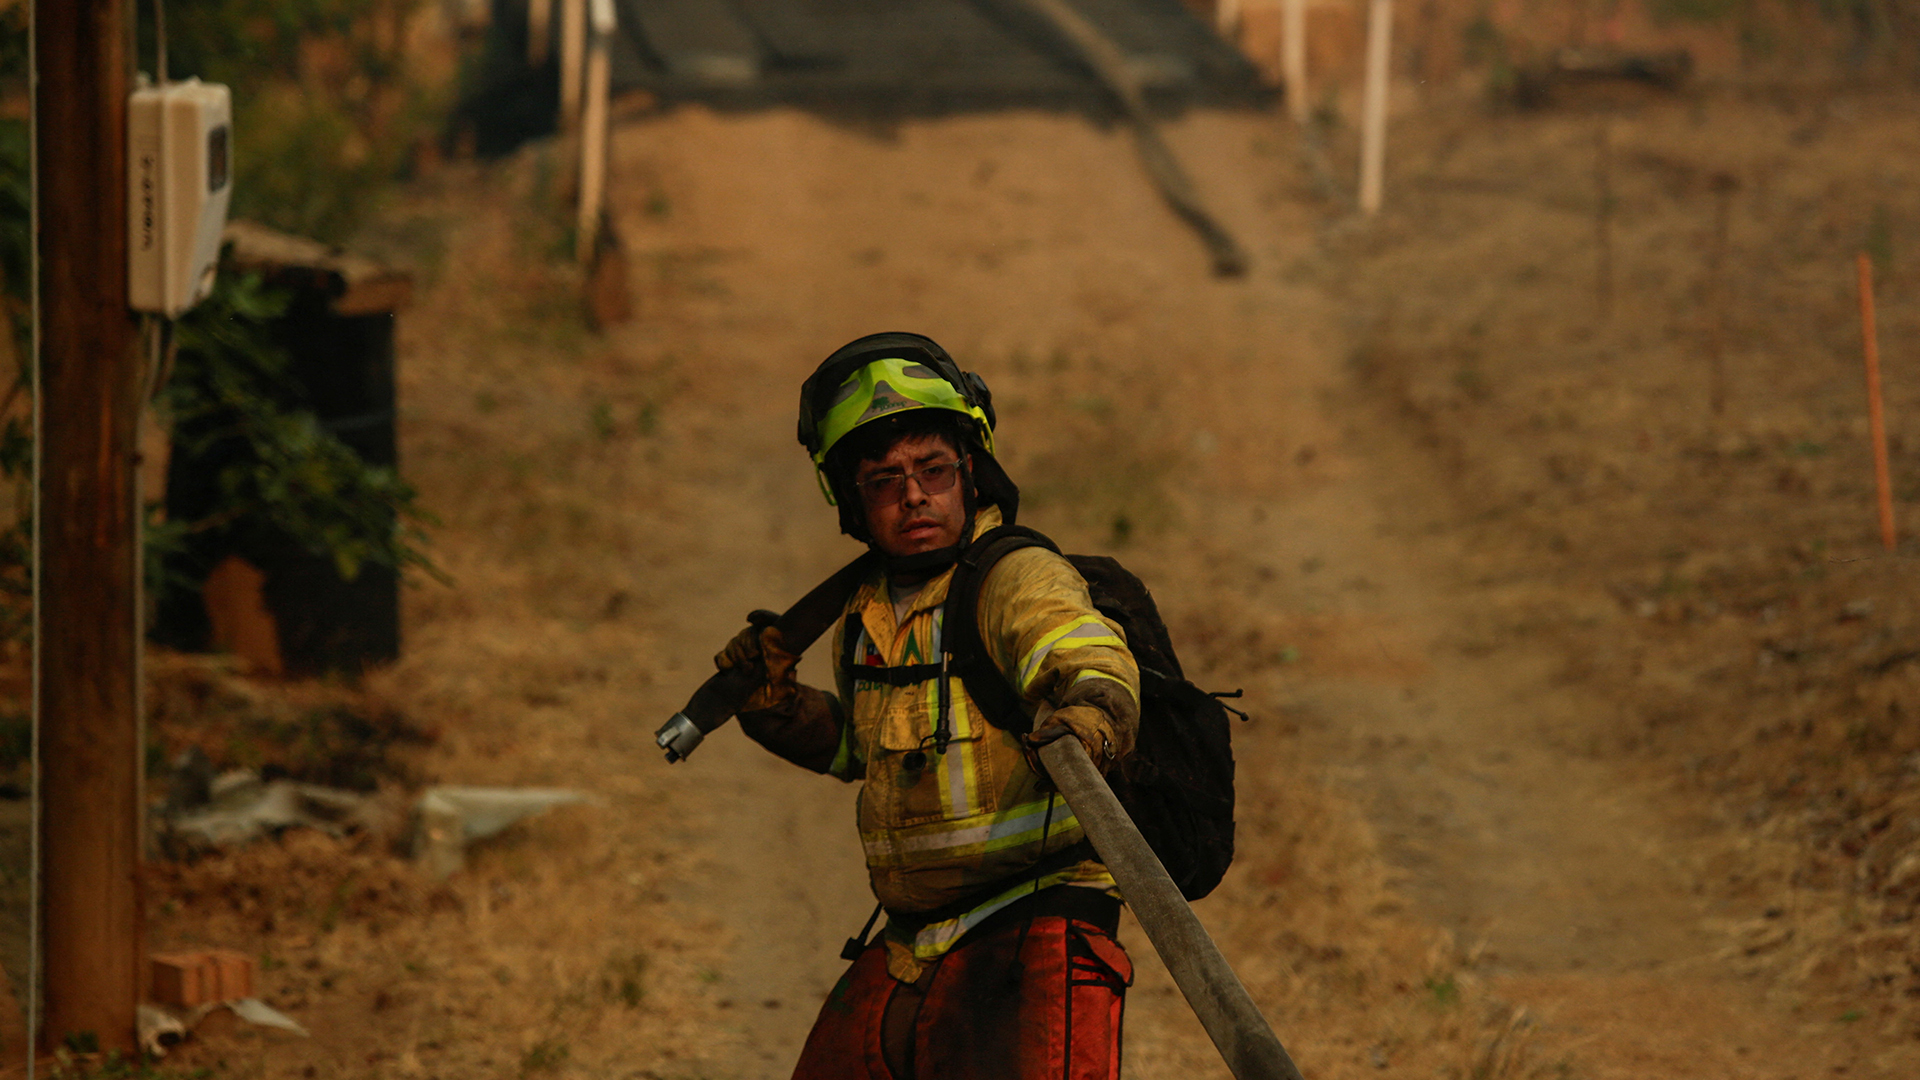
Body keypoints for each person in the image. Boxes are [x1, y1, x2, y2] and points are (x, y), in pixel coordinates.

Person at [715, 332, 1142, 1080]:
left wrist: (1089, 717)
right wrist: (774, 704)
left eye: (933, 469)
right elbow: (864, 752)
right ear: (852, 500)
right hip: (912, 940)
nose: (913, 494)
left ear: (970, 473)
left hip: (1034, 918)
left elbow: (1088, 659)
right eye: (884, 479)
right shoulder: (867, 614)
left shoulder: (1016, 576)